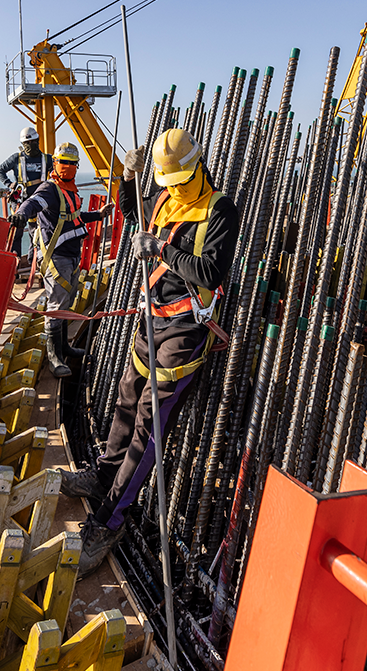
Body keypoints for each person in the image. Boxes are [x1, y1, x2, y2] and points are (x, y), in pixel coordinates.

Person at [61, 127, 239, 575]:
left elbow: (210, 270)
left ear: (197, 166)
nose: (173, 189)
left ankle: (109, 521)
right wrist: (126, 174)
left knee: (147, 428)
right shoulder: (162, 199)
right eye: (166, 182)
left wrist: (160, 248)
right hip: (150, 320)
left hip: (184, 330)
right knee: (126, 399)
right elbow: (130, 211)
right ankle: (103, 476)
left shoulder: (219, 210)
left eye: (177, 180)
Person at [9, 142, 109, 379]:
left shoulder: (69, 190)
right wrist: (22, 214)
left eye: (72, 163)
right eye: (64, 162)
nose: (68, 167)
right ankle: (54, 357)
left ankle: (63, 347)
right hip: (57, 258)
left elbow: (73, 217)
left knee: (65, 303)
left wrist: (98, 215)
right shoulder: (50, 189)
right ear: (55, 163)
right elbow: (34, 203)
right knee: (56, 306)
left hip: (72, 255)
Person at [0, 127, 45, 256]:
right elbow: (0, 170)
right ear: (23, 144)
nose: (30, 145)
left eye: (33, 142)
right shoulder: (16, 158)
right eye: (27, 143)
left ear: (38, 141)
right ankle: (14, 264)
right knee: (16, 233)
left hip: (38, 202)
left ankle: (34, 261)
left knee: (36, 233)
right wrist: (9, 184)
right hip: (20, 200)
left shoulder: (47, 159)